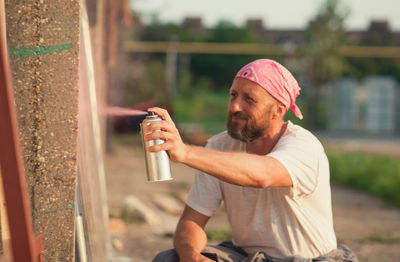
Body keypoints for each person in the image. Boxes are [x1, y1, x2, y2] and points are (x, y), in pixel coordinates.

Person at [142, 59, 358, 262]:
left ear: (278, 110)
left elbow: (262, 174)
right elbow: (191, 222)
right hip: (248, 256)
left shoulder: (304, 146)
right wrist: (192, 257)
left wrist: (186, 152)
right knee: (169, 259)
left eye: (249, 99)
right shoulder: (219, 147)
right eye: (233, 95)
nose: (235, 106)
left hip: (310, 259)